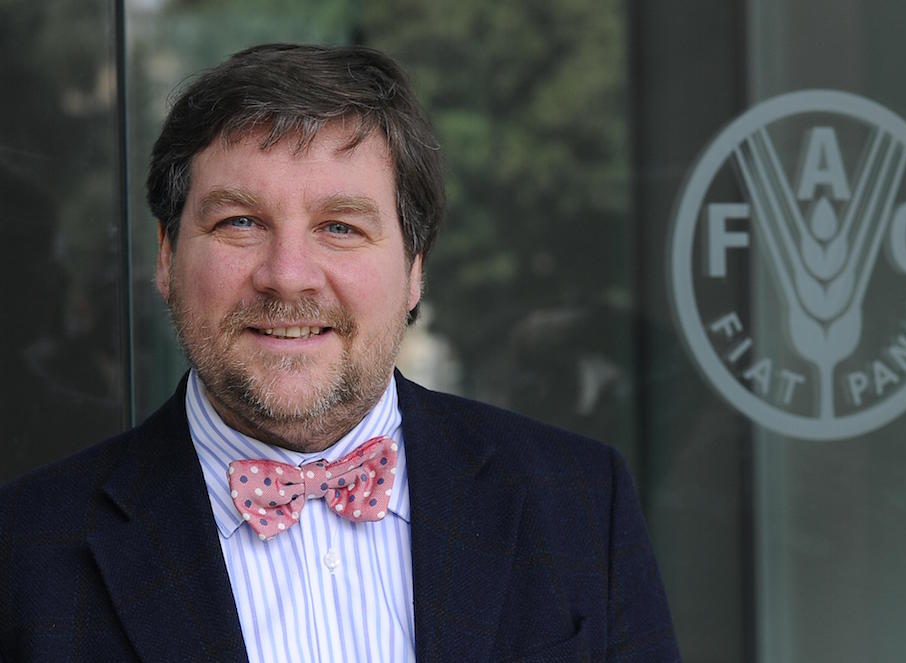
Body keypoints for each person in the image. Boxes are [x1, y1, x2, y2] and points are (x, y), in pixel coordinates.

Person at [0, 44, 680, 662]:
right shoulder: (24, 552)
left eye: (340, 226)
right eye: (241, 221)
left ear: (415, 267)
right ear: (167, 256)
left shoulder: (582, 502)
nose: (288, 275)